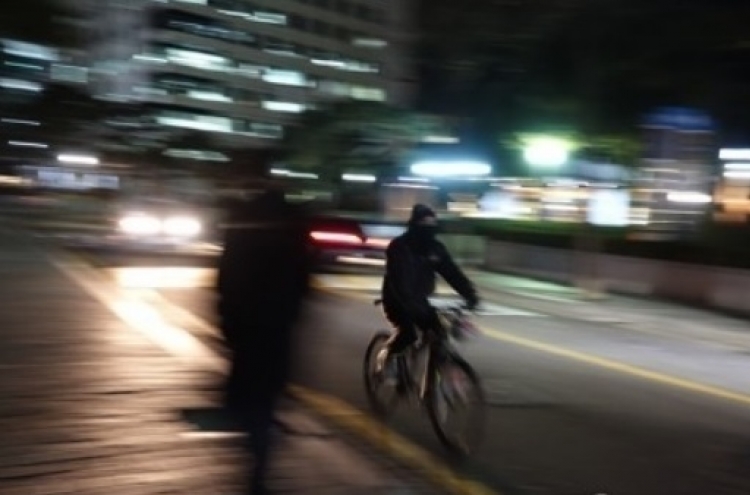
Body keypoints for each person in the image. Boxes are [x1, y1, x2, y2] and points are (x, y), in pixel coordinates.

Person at [216, 185, 310, 495]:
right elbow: (303, 279)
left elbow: (226, 279)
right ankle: (259, 459)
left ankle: (253, 443)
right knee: (267, 393)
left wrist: (227, 321)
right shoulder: (292, 231)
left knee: (247, 391)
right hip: (277, 325)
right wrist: (293, 312)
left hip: (246, 324)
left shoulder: (242, 229)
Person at [379, 204, 479, 373]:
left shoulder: (436, 249)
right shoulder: (400, 247)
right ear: (415, 224)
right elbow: (400, 278)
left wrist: (469, 294)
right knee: (408, 334)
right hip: (396, 300)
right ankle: (388, 356)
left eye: (432, 223)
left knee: (439, 335)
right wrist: (409, 302)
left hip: (421, 300)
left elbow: (451, 272)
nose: (429, 227)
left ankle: (435, 377)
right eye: (424, 222)